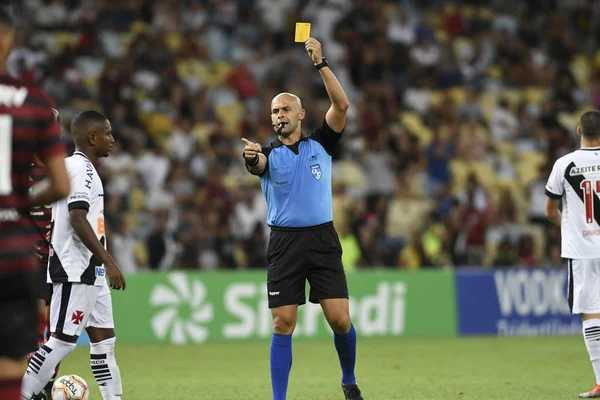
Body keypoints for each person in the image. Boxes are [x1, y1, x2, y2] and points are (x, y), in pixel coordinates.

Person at [242, 37, 362, 400]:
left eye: (284, 110)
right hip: (284, 243)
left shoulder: (321, 144)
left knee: (340, 319)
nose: (278, 116)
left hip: (322, 240)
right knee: (283, 323)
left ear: (300, 115)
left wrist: (320, 63)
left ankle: (349, 379)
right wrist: (250, 158)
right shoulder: (267, 155)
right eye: (274, 112)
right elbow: (256, 164)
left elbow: (342, 104)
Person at [21, 110, 126, 400]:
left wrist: (103, 265)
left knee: (104, 344)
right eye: (107, 133)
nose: (112, 139)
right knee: (62, 342)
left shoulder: (84, 169)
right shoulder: (80, 168)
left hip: (93, 273)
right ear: (93, 137)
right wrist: (110, 260)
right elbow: (77, 218)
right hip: (75, 269)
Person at [0, 9, 70, 400]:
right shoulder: (32, 105)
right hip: (16, 254)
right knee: (15, 354)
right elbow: (59, 185)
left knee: (44, 329)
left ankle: (38, 388)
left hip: (40, 259)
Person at [545, 110, 600, 398]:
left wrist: (570, 227)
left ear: (579, 131)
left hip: (583, 250)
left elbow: (550, 211)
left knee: (591, 313)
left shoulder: (564, 164)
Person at [27, 108, 64, 400]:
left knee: (56, 333)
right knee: (34, 328)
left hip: (58, 263)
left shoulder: (65, 172)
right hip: (25, 262)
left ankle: (46, 386)